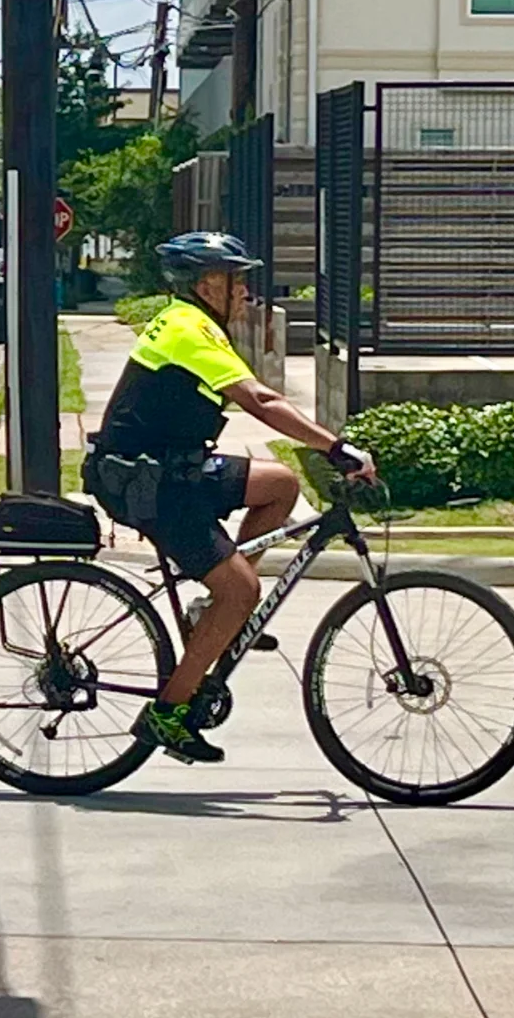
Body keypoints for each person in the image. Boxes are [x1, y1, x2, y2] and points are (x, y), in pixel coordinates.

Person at [84, 232, 376, 766]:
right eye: (235, 281)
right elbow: (261, 400)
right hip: (151, 484)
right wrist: (335, 447)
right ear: (206, 285)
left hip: (176, 469)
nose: (244, 292)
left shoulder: (193, 323)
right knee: (241, 592)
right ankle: (169, 713)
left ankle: (213, 614)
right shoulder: (186, 329)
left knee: (281, 485)